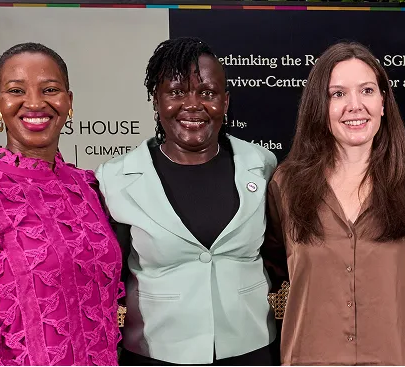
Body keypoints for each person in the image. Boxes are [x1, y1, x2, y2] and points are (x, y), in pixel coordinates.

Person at [95, 37, 277, 365]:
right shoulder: (115, 178)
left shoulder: (262, 164)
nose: (192, 105)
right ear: (156, 100)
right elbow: (109, 278)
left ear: (225, 101)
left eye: (207, 93)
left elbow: (279, 257)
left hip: (250, 350)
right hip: (156, 353)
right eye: (177, 92)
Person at [0, 42, 122, 365]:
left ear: (68, 102)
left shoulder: (86, 187)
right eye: (16, 90)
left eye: (50, 89)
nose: (34, 102)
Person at [261, 41, 405, 365]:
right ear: (320, 106)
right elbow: (274, 264)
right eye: (338, 94)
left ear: (383, 102)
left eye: (366, 91)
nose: (354, 105)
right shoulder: (286, 186)